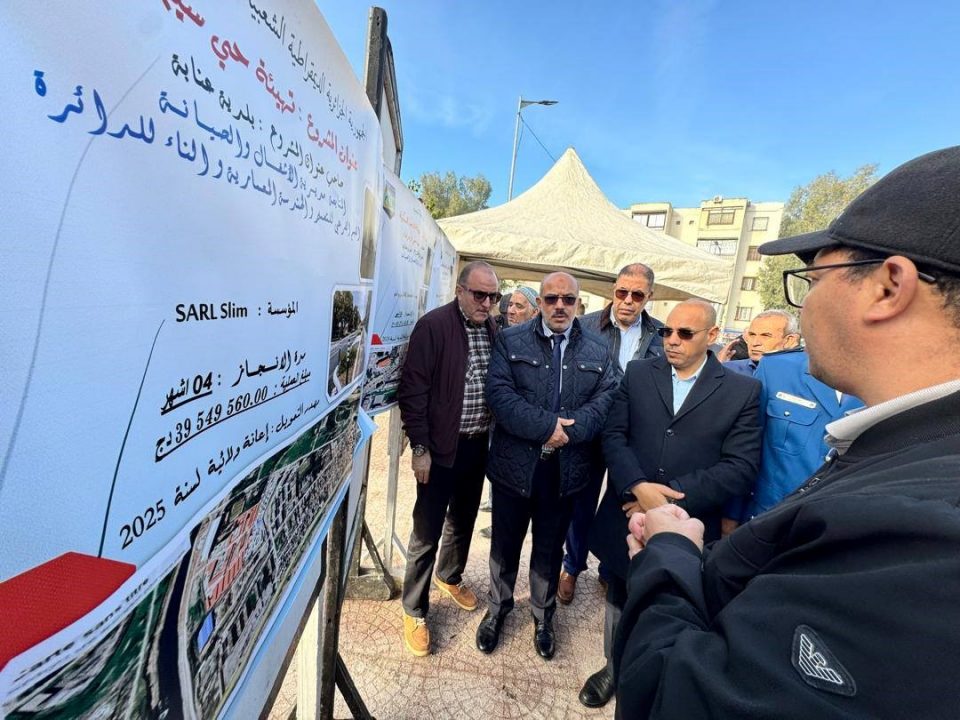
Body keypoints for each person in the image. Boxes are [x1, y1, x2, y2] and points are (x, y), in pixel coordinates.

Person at [614, 146, 960, 719]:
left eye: (812, 279)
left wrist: (670, 553)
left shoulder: (920, 535)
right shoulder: (911, 455)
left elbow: (677, 695)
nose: (804, 306)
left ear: (887, 287)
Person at [580, 299, 762, 709]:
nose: (671, 340)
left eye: (684, 333)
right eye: (667, 331)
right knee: (620, 592)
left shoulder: (742, 391)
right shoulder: (639, 373)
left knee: (671, 600)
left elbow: (740, 466)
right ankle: (615, 665)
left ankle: (657, 673)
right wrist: (637, 487)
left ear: (712, 336)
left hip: (685, 524)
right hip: (626, 511)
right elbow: (614, 436)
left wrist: (664, 498)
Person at [477, 272, 617, 659]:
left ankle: (543, 616)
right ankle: (497, 610)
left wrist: (569, 432)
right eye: (551, 298)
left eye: (568, 299)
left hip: (565, 470)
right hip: (515, 467)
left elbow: (608, 398)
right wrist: (547, 428)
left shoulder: (598, 348)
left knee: (550, 549)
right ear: (539, 302)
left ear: (578, 304)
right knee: (504, 545)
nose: (559, 306)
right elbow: (499, 395)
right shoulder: (510, 340)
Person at [396, 260, 500, 657]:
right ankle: (414, 608)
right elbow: (413, 390)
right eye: (479, 294)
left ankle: (449, 575)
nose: (486, 303)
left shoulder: (492, 328)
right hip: (440, 448)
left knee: (463, 519)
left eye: (493, 296)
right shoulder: (434, 326)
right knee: (426, 530)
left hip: (476, 444)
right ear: (460, 291)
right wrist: (420, 448)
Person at [559, 263, 664, 606]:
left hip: (631, 438)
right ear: (613, 291)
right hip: (589, 432)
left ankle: (609, 568)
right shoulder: (584, 326)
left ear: (649, 296)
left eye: (637, 295)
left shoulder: (661, 334)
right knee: (581, 504)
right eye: (622, 292)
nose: (628, 300)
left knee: (623, 505)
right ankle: (572, 567)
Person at [479, 285, 540, 537]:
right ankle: (495, 508)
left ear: (535, 311)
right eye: (510, 305)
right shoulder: (500, 333)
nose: (511, 311)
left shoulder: (541, 343)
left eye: (519, 306)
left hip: (525, 424)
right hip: (497, 420)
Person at [721, 309, 801, 375]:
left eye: (765, 336)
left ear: (789, 340)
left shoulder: (801, 377)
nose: (755, 343)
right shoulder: (728, 371)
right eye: (752, 334)